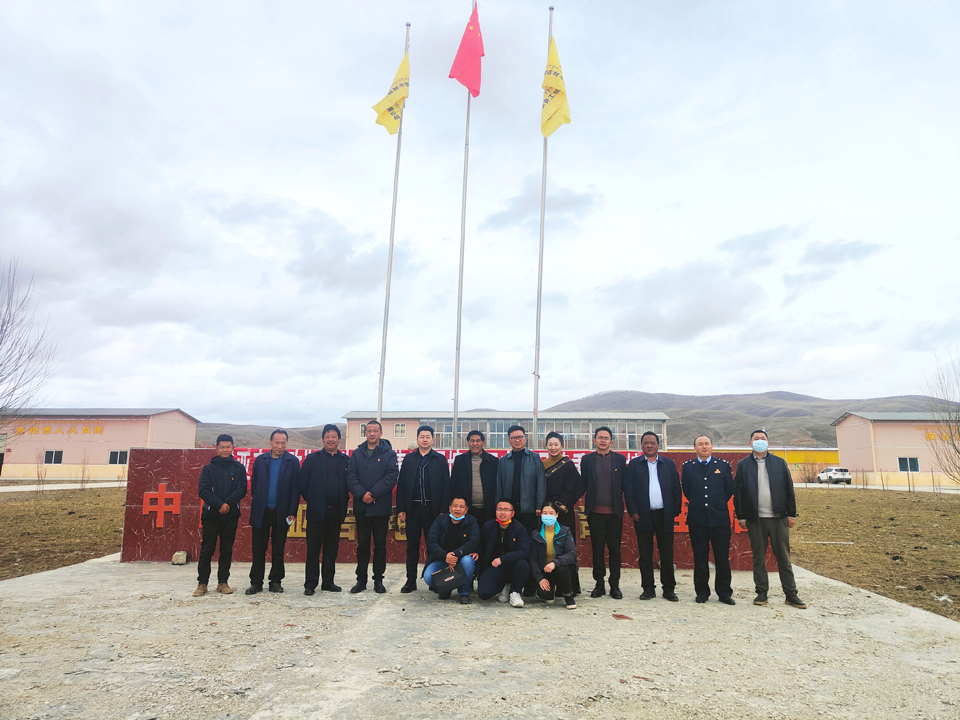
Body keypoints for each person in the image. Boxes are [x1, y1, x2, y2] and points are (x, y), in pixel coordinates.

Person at [733, 429, 806, 609]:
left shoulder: (779, 463)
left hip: (778, 518)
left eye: (762, 438)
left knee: (783, 557)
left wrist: (791, 514)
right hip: (755, 519)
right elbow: (738, 492)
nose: (759, 441)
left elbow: (789, 490)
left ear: (768, 442)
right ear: (750, 443)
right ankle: (761, 592)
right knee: (758, 557)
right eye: (756, 439)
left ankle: (791, 593)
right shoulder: (743, 465)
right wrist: (741, 516)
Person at [624, 430, 682, 602]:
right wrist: (633, 510)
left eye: (653, 443)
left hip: (665, 515)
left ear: (658, 445)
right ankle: (648, 589)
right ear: (641, 445)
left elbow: (676, 488)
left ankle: (669, 589)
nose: (649, 445)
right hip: (643, 516)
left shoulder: (668, 464)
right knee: (645, 555)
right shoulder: (634, 464)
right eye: (646, 443)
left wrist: (675, 510)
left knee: (667, 554)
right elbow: (629, 490)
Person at [346, 420, 399, 594]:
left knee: (380, 545)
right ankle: (361, 580)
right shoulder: (357, 453)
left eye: (375, 431)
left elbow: (391, 477)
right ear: (365, 433)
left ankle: (378, 580)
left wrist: (373, 494)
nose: (372, 434)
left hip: (380, 507)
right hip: (362, 506)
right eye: (369, 431)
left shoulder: (389, 454)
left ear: (381, 433)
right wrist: (362, 494)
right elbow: (351, 477)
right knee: (362, 545)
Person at [246, 429, 301, 595]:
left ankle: (276, 581)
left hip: (281, 512)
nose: (280, 446)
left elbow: (295, 489)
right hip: (261, 512)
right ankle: (256, 582)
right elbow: (254, 486)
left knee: (278, 549)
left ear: (287, 443)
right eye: (277, 443)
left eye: (283, 443)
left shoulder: (293, 462)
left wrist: (292, 511)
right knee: (258, 549)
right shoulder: (260, 460)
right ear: (270, 442)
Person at [681, 435, 735, 605]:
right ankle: (702, 592)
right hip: (697, 519)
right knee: (700, 558)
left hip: (719, 519)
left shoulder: (723, 466)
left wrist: (715, 504)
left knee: (722, 558)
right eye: (700, 444)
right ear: (695, 448)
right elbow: (687, 490)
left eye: (706, 444)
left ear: (712, 446)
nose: (704, 447)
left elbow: (728, 490)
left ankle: (724, 593)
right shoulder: (688, 467)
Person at [397, 425, 450, 593]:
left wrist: (443, 510)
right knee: (412, 546)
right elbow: (402, 484)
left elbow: (445, 486)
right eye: (422, 436)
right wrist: (401, 509)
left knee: (433, 546)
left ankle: (434, 581)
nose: (425, 439)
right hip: (413, 509)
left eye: (428, 436)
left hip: (433, 510)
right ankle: (410, 581)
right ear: (417, 439)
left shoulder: (440, 459)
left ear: (433, 439)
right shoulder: (409, 459)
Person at [298, 424, 349, 595]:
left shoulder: (345, 461)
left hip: (336, 512)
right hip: (317, 512)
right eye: (327, 436)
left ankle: (328, 581)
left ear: (339, 439)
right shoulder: (312, 459)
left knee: (331, 550)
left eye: (334, 436)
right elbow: (302, 484)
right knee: (313, 550)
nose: (330, 439)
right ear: (322, 439)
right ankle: (310, 584)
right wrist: (314, 500)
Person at [194, 434, 248, 597]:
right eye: (222, 447)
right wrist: (219, 505)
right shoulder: (208, 469)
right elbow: (203, 490)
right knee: (207, 550)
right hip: (211, 515)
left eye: (228, 447)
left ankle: (223, 582)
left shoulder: (239, 468)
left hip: (231, 515)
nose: (225, 450)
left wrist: (227, 504)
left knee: (226, 550)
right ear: (216, 448)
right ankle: (202, 584)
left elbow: (242, 489)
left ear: (233, 448)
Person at [579, 426, 627, 599]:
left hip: (615, 513)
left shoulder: (620, 459)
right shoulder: (587, 460)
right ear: (594, 441)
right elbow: (583, 483)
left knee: (615, 550)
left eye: (606, 438)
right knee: (597, 550)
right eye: (600, 437)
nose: (603, 440)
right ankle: (599, 584)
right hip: (595, 513)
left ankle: (615, 585)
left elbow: (624, 484)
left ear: (611, 442)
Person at [542, 431, 584, 594]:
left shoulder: (568, 465)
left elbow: (576, 487)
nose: (553, 447)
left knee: (566, 547)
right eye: (550, 444)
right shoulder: (542, 465)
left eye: (556, 444)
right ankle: (547, 585)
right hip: (546, 511)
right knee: (547, 545)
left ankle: (570, 586)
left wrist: (559, 506)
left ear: (561, 446)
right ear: (546, 446)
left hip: (563, 511)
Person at [423, 496, 480, 604]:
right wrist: (445, 556)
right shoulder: (440, 520)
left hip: (461, 558)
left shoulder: (472, 521)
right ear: (450, 507)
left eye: (461, 507)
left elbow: (473, 542)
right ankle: (446, 588)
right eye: (455, 506)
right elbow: (431, 542)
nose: (458, 509)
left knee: (468, 562)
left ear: (466, 509)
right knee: (428, 577)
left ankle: (464, 592)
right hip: (442, 559)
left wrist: (455, 555)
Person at [476, 498, 530, 607]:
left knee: (523, 564)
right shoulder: (488, 526)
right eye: (499, 509)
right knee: (484, 593)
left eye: (506, 510)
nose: (502, 512)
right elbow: (480, 545)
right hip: (494, 566)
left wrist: (503, 559)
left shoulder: (519, 528)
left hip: (512, 564)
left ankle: (515, 592)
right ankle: (503, 586)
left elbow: (524, 551)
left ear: (512, 513)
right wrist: (476, 552)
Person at [529, 502, 577, 609]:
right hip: (545, 570)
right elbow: (532, 558)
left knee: (561, 570)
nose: (548, 516)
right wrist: (540, 578)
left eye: (551, 513)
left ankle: (568, 596)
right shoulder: (535, 534)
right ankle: (550, 592)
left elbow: (571, 554)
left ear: (557, 514)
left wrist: (555, 563)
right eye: (545, 513)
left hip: (562, 568)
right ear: (541, 515)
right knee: (544, 595)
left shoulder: (565, 531)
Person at [450, 430, 499, 528]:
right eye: (472, 441)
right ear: (468, 442)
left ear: (483, 442)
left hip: (488, 509)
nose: (475, 444)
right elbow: (454, 485)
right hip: (467, 509)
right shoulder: (460, 460)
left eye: (478, 441)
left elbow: (497, 485)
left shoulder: (493, 461)